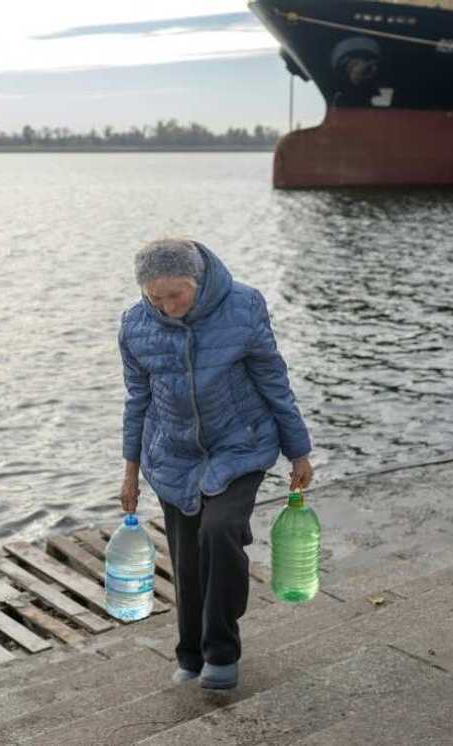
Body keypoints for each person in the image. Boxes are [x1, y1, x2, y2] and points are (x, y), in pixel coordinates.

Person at [117, 238, 313, 691]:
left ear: (198, 282)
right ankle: (190, 653)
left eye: (175, 295)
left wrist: (298, 450)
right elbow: (137, 400)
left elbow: (272, 379)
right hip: (173, 455)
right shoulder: (134, 326)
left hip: (239, 445)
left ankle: (222, 652)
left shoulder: (243, 306)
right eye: (154, 298)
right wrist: (130, 472)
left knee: (220, 531)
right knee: (186, 560)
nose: (166, 308)